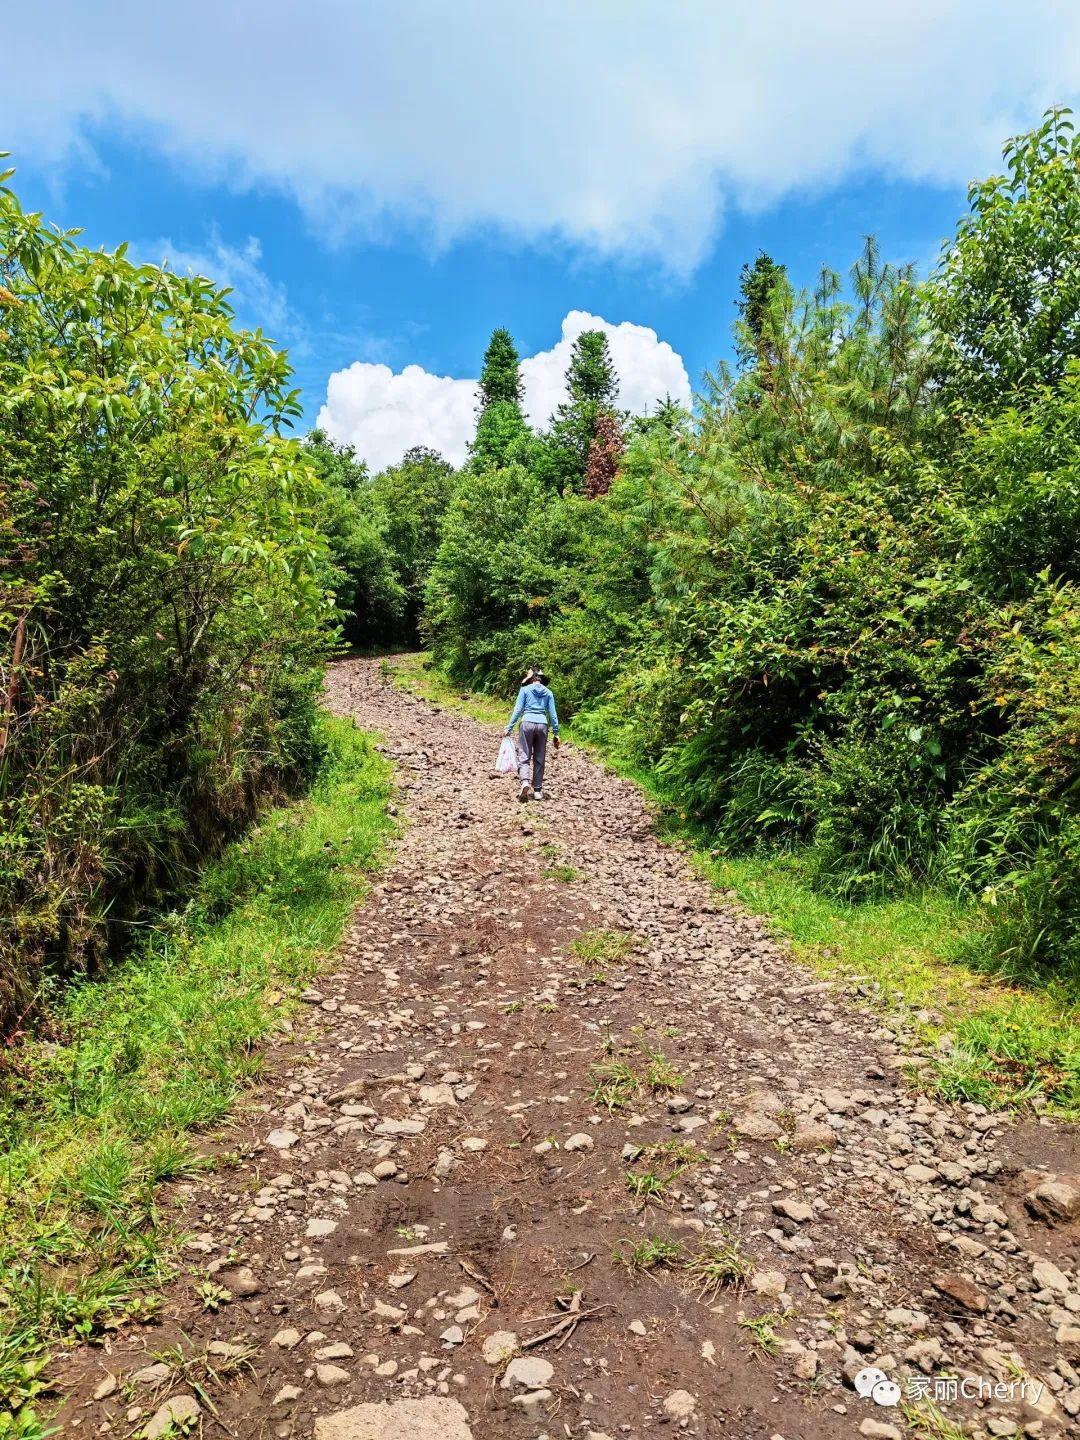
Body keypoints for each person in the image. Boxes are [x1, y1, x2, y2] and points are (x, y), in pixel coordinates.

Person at [504, 667, 559, 802]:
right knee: (539, 757)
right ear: (541, 680)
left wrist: (509, 727)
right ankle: (538, 791)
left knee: (525, 754)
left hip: (527, 723)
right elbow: (553, 715)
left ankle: (524, 782)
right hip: (542, 725)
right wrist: (556, 733)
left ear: (532, 679)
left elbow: (518, 709)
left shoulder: (525, 690)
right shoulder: (548, 693)